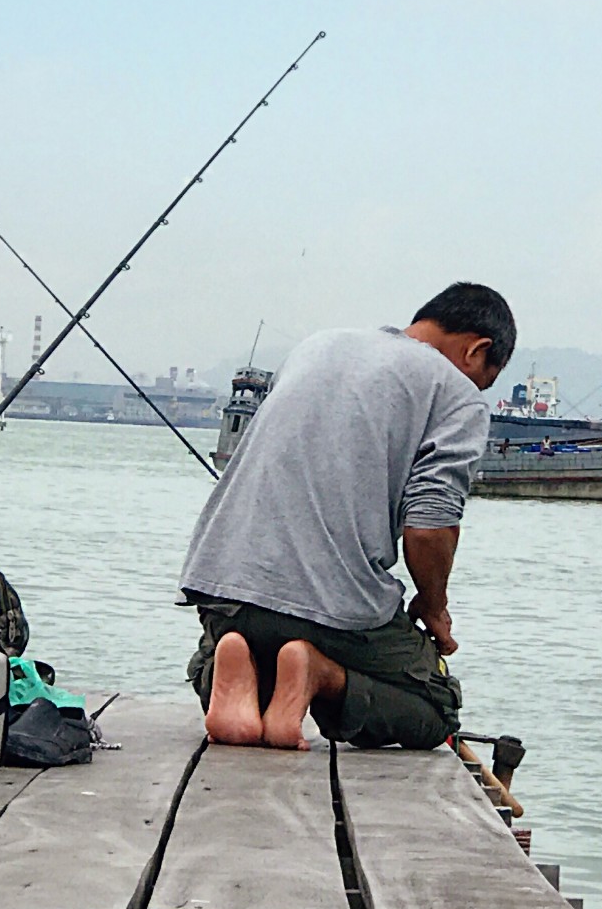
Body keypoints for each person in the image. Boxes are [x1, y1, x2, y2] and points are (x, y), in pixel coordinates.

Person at [179, 281, 514, 750]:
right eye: (484, 379)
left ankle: (229, 662)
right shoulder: (455, 392)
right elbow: (430, 523)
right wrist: (433, 606)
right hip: (334, 607)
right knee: (436, 707)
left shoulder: (317, 345)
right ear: (477, 351)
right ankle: (320, 674)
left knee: (244, 648)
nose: (478, 390)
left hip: (224, 589)